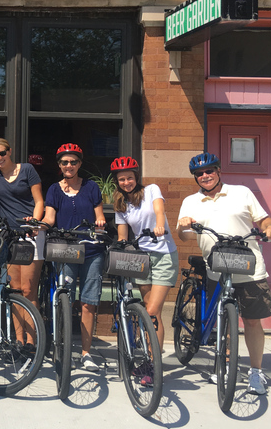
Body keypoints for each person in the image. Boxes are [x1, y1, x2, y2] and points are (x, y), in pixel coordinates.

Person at [177, 152, 271, 396]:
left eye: (209, 171)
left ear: (219, 171)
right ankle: (223, 364)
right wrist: (183, 226)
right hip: (216, 269)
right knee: (222, 322)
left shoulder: (241, 192)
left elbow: (263, 220)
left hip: (248, 269)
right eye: (199, 174)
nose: (205, 176)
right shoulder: (191, 201)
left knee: (253, 321)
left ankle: (256, 371)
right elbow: (183, 236)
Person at [111, 156, 178, 385]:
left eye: (130, 177)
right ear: (117, 182)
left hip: (163, 255)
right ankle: (152, 359)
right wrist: (119, 245)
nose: (126, 182)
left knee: (151, 310)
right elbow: (123, 235)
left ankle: (152, 363)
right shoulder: (121, 203)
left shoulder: (151, 190)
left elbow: (159, 210)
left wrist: (160, 225)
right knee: (153, 315)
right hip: (141, 259)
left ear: (136, 177)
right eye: (122, 179)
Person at [42, 143, 106, 372]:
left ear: (80, 164)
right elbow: (50, 217)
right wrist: (40, 225)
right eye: (64, 162)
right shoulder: (53, 190)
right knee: (64, 301)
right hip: (66, 250)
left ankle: (86, 353)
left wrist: (100, 223)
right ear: (59, 165)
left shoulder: (91, 187)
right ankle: (64, 348)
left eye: (73, 162)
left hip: (92, 250)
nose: (69, 166)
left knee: (88, 303)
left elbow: (100, 216)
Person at [0, 138, 44, 351]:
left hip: (30, 233)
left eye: (2, 153)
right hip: (9, 234)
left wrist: (35, 222)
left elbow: (39, 201)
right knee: (15, 290)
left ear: (10, 151)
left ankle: (33, 341)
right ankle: (19, 339)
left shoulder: (27, 170)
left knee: (28, 290)